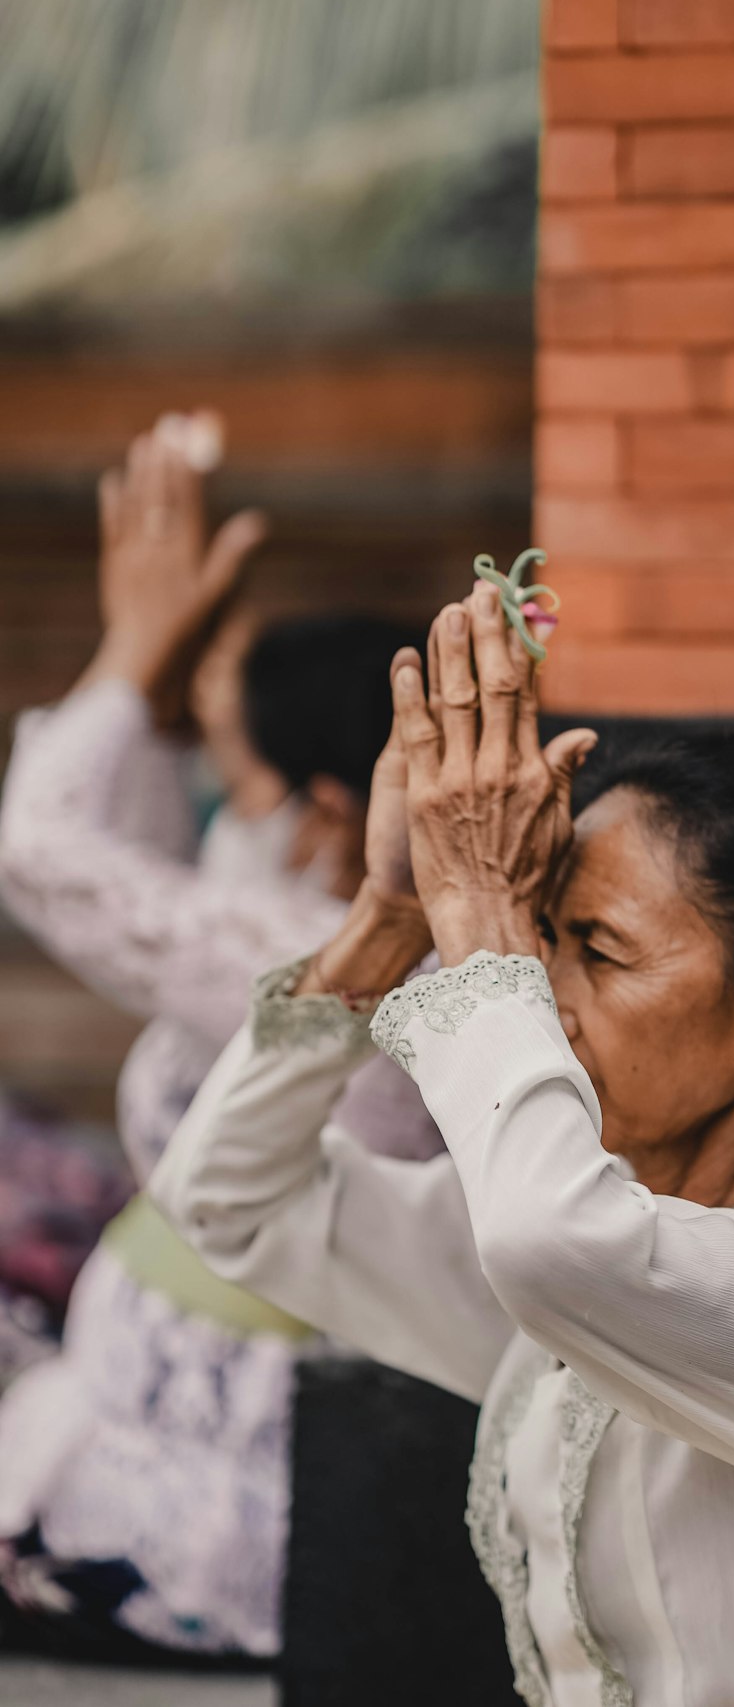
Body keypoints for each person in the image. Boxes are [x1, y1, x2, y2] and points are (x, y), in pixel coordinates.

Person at [152, 584, 734, 1706]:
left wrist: (479, 907)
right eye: (541, 938)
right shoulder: (564, 1256)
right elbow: (226, 1200)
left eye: (601, 950)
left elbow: (551, 1245)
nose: (544, 992)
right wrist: (393, 913)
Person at [0, 419, 438, 1661]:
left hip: (224, 1490)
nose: (219, 815)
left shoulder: (352, 963)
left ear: (338, 811)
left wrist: (130, 653)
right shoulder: (295, 900)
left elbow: (57, 859)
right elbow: (143, 871)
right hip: (128, 1419)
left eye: (234, 779)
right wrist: (162, 686)